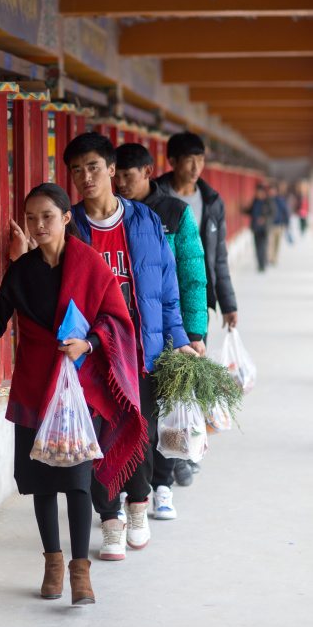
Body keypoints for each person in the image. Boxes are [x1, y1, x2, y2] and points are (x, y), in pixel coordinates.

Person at [0, 182, 147, 602]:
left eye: (47, 216)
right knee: (41, 480)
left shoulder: (89, 264)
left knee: (76, 480)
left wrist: (87, 344)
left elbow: (117, 320)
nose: (38, 225)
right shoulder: (21, 270)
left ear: (67, 218)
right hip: (35, 384)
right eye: (31, 218)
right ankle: (53, 563)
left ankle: (79, 572)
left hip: (75, 388)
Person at [62, 131, 197, 562]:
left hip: (144, 348)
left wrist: (180, 340)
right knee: (101, 436)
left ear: (111, 170)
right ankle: (110, 520)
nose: (86, 177)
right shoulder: (72, 227)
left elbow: (167, 287)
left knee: (141, 430)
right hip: (93, 352)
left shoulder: (144, 220)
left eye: (94, 167)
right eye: (77, 170)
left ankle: (137, 505)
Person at [115, 142, 208, 487]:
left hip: (172, 328)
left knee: (169, 406)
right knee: (138, 411)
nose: (121, 183)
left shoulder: (175, 212)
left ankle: (167, 477)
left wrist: (195, 332)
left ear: (147, 172)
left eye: (128, 175)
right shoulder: (112, 212)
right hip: (128, 329)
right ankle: (139, 483)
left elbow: (193, 274)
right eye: (117, 175)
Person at [156, 132, 238, 339]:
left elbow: (219, 256)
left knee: (195, 361)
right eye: (190, 161)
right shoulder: (154, 197)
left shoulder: (212, 202)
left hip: (197, 298)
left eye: (200, 160)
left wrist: (228, 304)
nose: (196, 168)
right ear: (173, 161)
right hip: (160, 296)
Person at [244, 183, 274, 272]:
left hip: (264, 228)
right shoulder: (255, 201)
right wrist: (244, 208)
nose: (258, 194)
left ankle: (263, 264)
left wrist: (264, 219)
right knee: (257, 247)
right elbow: (250, 212)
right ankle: (259, 264)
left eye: (260, 192)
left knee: (263, 246)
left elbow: (272, 214)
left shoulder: (268, 202)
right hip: (256, 228)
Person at [267, 181, 290, 265]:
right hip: (271, 225)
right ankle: (270, 258)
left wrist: (287, 222)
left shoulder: (280, 200)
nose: (271, 192)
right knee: (270, 242)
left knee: (277, 242)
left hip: (279, 224)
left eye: (273, 190)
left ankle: (275, 257)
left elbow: (285, 211)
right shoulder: (267, 200)